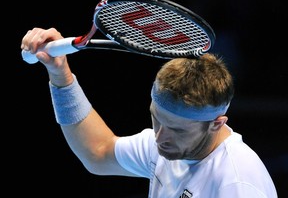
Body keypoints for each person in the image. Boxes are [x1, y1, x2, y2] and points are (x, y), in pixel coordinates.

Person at [21, 27, 277, 198]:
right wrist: (60, 75)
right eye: (156, 119)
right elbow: (97, 153)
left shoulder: (238, 184)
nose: (159, 137)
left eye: (176, 129)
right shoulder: (165, 146)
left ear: (216, 124)